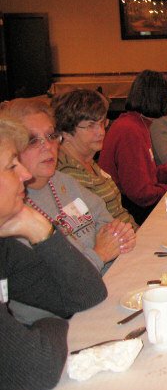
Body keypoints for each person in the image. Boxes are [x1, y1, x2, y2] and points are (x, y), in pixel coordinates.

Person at [0, 116, 107, 390]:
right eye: (11, 166)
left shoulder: (4, 245)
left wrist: (41, 230)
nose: (24, 175)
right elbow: (37, 369)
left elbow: (88, 294)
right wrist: (49, 325)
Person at [0, 98, 136, 276]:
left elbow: (106, 220)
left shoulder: (63, 181)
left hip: (113, 275)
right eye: (33, 140)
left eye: (51, 136)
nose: (48, 147)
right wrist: (99, 254)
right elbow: (52, 282)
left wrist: (113, 238)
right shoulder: (12, 208)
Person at [99, 70, 167, 225]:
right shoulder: (130, 130)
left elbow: (150, 175)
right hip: (126, 213)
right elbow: (141, 193)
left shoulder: (138, 123)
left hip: (134, 205)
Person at [51, 89, 137, 229]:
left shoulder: (87, 160)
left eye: (102, 123)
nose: (101, 132)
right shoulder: (68, 175)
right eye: (91, 126)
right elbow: (86, 232)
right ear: (66, 132)